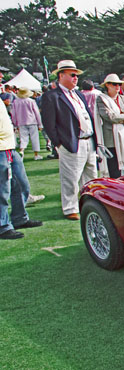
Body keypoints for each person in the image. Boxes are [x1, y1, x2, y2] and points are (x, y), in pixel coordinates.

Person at [41, 60, 97, 220]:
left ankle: (90, 203)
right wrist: (59, 143)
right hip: (71, 142)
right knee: (71, 177)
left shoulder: (78, 94)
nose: (75, 78)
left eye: (77, 75)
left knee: (91, 175)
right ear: (61, 75)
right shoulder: (51, 96)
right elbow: (49, 124)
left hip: (88, 141)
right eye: (72, 75)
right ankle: (70, 208)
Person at [0, 100, 43, 239]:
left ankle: (19, 218)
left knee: (21, 185)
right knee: (3, 190)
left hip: (9, 147)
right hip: (2, 148)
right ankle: (3, 226)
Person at [95, 74, 124, 178]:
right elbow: (109, 117)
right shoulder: (101, 99)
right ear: (108, 85)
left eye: (119, 84)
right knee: (114, 170)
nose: (117, 86)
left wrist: (121, 119)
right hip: (111, 139)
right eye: (115, 84)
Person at [11, 88, 43, 160]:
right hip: (32, 121)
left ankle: (22, 151)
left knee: (23, 138)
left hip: (21, 122)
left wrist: (15, 124)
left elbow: (14, 114)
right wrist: (40, 124)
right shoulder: (31, 101)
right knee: (34, 138)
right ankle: (36, 155)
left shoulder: (15, 102)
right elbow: (36, 113)